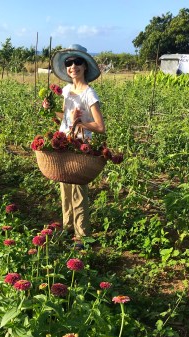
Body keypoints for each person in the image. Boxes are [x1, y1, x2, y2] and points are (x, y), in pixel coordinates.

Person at [51, 44, 105, 246]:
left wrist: (80, 123)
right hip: (64, 143)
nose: (73, 66)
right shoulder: (66, 90)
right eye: (69, 63)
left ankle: (82, 235)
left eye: (77, 62)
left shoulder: (89, 93)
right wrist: (49, 111)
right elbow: (64, 118)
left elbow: (100, 126)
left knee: (78, 191)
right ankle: (67, 228)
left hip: (81, 145)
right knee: (64, 187)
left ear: (85, 66)